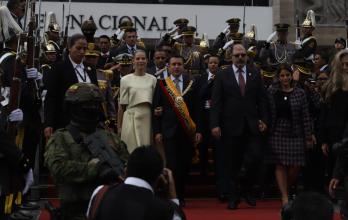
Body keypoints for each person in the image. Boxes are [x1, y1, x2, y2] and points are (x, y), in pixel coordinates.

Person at [44, 83, 129, 220]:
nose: (92, 109)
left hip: (109, 207)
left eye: (95, 105)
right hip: (76, 210)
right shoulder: (61, 138)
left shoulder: (109, 137)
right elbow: (57, 168)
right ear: (73, 108)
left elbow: (127, 163)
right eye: (87, 105)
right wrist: (95, 168)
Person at [210, 44, 268, 210]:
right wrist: (214, 124)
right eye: (237, 55)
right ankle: (234, 196)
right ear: (231, 57)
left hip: (252, 125)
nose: (240, 58)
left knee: (255, 157)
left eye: (243, 55)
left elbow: (262, 100)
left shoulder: (255, 73)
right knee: (233, 163)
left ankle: (247, 189)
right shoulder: (222, 75)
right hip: (230, 126)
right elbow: (216, 102)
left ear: (247, 56)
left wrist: (264, 119)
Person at [153, 55, 201, 205]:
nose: (176, 67)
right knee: (172, 165)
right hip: (169, 131)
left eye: (179, 64)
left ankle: (181, 194)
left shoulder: (191, 83)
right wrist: (157, 131)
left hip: (187, 131)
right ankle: (173, 197)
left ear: (183, 67)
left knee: (185, 165)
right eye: (173, 64)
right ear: (168, 66)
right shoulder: (162, 84)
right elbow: (156, 109)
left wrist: (198, 130)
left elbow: (197, 109)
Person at [88, 146, 185, 220]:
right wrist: (173, 200)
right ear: (159, 179)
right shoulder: (165, 211)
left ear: (125, 172)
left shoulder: (100, 193)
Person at [266, 64, 312, 206]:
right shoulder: (272, 91)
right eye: (282, 75)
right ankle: (285, 196)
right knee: (280, 165)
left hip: (296, 133)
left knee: (296, 165)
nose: (285, 78)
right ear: (278, 78)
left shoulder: (300, 93)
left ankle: (284, 188)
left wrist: (309, 136)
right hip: (277, 132)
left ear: (292, 76)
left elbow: (305, 115)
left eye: (287, 75)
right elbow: (267, 112)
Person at [44, 34, 98, 139]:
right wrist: (48, 123)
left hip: (90, 122)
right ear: (69, 48)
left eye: (84, 48)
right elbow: (51, 97)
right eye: (78, 48)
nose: (82, 52)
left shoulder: (90, 69)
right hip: (67, 121)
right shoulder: (59, 68)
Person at [118, 50, 157, 153]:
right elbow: (122, 106)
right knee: (130, 150)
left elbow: (155, 102)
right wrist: (119, 127)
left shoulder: (153, 79)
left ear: (147, 61)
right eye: (138, 58)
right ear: (133, 61)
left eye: (143, 58)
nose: (141, 61)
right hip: (130, 117)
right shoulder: (125, 80)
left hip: (147, 118)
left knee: (146, 150)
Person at [320, 49, 348, 181]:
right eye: (342, 64)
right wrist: (324, 139)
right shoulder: (330, 86)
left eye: (347, 64)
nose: (344, 67)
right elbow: (325, 114)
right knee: (333, 168)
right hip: (334, 133)